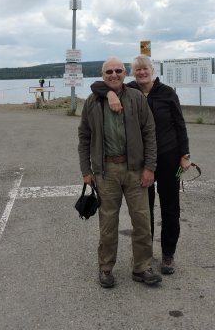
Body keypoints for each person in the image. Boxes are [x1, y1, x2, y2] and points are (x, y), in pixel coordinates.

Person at [91, 54, 191, 275]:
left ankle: (168, 254)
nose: (142, 72)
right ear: (132, 73)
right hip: (139, 161)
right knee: (144, 211)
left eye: (145, 69)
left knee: (170, 207)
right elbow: (97, 85)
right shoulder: (129, 90)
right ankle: (146, 255)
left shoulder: (167, 93)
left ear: (152, 70)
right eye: (138, 69)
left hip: (168, 157)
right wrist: (109, 93)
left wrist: (185, 154)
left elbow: (180, 124)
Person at [78, 57, 162, 288]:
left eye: (118, 71)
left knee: (142, 221)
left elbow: (149, 133)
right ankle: (105, 268)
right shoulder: (92, 101)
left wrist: (150, 167)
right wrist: (86, 170)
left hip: (136, 170)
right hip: (106, 171)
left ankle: (142, 267)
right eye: (109, 72)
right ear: (102, 75)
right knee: (107, 224)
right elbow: (84, 137)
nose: (113, 75)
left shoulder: (136, 98)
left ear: (125, 74)